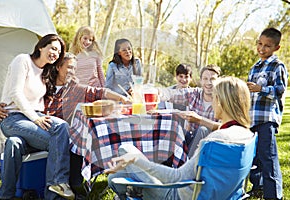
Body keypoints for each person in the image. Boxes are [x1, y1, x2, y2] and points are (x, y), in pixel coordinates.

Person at [0, 52, 131, 199]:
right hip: (32, 130)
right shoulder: (42, 84)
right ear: (59, 67)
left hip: (51, 136)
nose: (73, 72)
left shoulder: (74, 89)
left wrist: (122, 98)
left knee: (19, 141)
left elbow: (99, 92)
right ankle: (8, 193)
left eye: (75, 69)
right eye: (70, 67)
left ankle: (54, 191)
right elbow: (19, 94)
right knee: (14, 142)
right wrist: (0, 106)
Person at [106, 76, 254, 200]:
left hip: (177, 195)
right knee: (118, 176)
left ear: (221, 103)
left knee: (123, 156)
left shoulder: (214, 141)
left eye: (214, 98)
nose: (213, 103)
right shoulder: (246, 134)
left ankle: (127, 193)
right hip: (222, 194)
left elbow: (176, 178)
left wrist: (135, 159)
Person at [0, 34, 76, 200]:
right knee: (58, 142)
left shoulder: (46, 72)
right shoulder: (23, 60)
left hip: (35, 117)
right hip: (13, 118)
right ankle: (55, 189)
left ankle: (6, 195)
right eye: (53, 48)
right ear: (41, 46)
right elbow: (15, 93)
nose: (55, 53)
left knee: (15, 143)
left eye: (58, 51)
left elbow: (63, 83)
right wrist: (35, 119)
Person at [246, 27, 287, 200]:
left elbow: (280, 89)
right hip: (252, 119)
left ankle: (274, 195)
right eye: (259, 44)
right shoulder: (254, 67)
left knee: (267, 157)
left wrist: (261, 89)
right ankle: (258, 187)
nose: (262, 49)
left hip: (266, 119)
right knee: (253, 157)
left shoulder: (278, 66)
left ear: (276, 48)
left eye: (267, 46)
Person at [158, 64, 221, 157]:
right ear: (201, 80)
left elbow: (222, 126)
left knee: (203, 129)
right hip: (192, 138)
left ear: (219, 81)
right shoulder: (194, 94)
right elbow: (171, 94)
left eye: (212, 79)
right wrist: (156, 91)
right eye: (205, 79)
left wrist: (199, 120)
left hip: (212, 143)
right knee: (173, 127)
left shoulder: (223, 100)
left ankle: (187, 166)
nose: (208, 83)